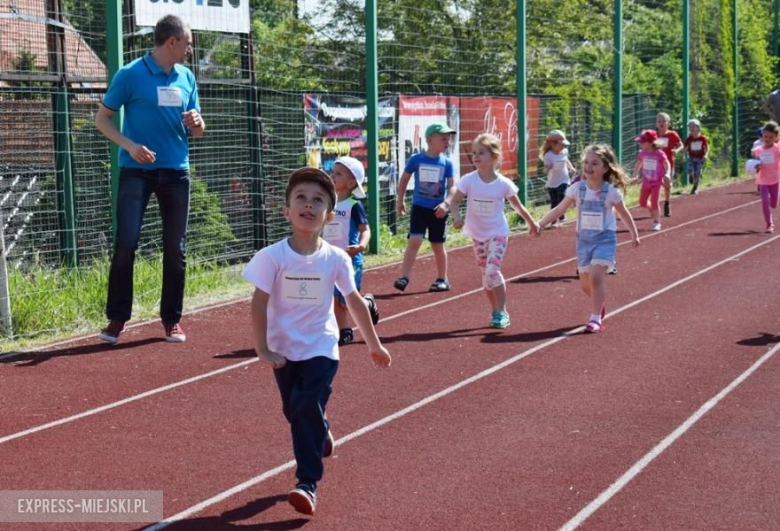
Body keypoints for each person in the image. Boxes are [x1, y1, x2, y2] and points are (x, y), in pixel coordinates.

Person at [242, 167, 391, 516]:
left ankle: (307, 482)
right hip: (283, 349)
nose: (308, 204)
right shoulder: (272, 257)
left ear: (330, 215)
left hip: (321, 346)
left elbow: (353, 301)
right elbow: (259, 303)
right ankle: (320, 431)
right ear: (287, 211)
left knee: (306, 404)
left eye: (318, 200)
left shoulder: (335, 258)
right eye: (301, 198)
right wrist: (262, 348)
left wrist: (373, 344)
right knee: (295, 411)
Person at [95, 15, 205, 344]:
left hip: (176, 173)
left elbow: (198, 131)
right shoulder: (130, 74)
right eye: (187, 43)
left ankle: (172, 320)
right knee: (126, 243)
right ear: (172, 42)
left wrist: (198, 122)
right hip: (136, 173)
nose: (189, 50)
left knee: (176, 248)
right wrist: (130, 146)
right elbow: (102, 119)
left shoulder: (187, 77)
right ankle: (117, 319)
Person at [538, 145, 640, 333]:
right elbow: (559, 209)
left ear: (605, 168)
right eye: (586, 162)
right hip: (584, 241)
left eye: (594, 163)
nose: (588, 166)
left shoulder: (611, 192)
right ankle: (599, 304)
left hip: (604, 240)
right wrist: (540, 224)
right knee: (586, 285)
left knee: (596, 277)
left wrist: (634, 233)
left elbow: (624, 213)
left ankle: (595, 319)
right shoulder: (577, 189)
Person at [447, 133, 540, 329]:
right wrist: (456, 217)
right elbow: (454, 202)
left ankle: (502, 311)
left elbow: (518, 206)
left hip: (498, 233)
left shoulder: (503, 184)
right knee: (486, 277)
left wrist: (531, 223)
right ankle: (495, 310)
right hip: (477, 235)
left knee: (492, 270)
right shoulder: (468, 180)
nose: (476, 156)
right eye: (474, 153)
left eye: (481, 152)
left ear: (494, 157)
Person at [322, 156, 380, 346]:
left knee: (347, 300)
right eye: (333, 172)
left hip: (349, 259)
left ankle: (368, 303)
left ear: (351, 182)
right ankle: (344, 330)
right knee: (334, 298)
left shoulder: (354, 205)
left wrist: (361, 246)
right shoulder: (327, 204)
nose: (332, 176)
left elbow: (366, 230)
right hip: (330, 259)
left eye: (338, 174)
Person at [394, 122, 457, 293]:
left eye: (449, 139)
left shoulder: (447, 163)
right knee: (414, 240)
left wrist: (446, 204)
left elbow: (452, 187)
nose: (447, 142)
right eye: (443, 139)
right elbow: (404, 180)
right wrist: (400, 200)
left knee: (437, 245)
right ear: (430, 140)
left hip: (438, 211)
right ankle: (404, 277)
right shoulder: (416, 159)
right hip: (419, 208)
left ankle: (442, 279)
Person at [632, 129, 670, 231]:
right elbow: (639, 163)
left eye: (642, 142)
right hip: (646, 182)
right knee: (642, 202)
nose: (640, 144)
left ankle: (657, 222)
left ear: (650, 142)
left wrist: (667, 173)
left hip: (657, 182)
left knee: (655, 202)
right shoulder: (642, 153)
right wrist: (635, 175)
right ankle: (651, 210)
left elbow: (667, 164)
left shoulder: (659, 154)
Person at [540, 130, 576, 227]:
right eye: (561, 144)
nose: (563, 147)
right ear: (553, 144)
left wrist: (571, 167)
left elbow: (566, 160)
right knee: (554, 202)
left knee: (562, 195)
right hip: (552, 183)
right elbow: (545, 171)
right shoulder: (548, 155)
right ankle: (554, 220)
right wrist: (550, 167)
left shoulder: (564, 152)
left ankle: (562, 214)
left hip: (564, 179)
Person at [750, 121, 780, 233]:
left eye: (771, 137)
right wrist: (756, 166)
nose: (767, 139)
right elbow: (756, 164)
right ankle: (769, 224)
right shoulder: (759, 150)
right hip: (763, 180)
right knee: (765, 201)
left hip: (775, 179)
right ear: (762, 136)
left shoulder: (777, 149)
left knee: (774, 204)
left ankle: (773, 203)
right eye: (765, 136)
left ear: (776, 137)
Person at [655, 113, 683, 217]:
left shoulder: (672, 134)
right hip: (657, 165)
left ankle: (667, 203)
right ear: (656, 124)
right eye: (659, 121)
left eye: (664, 121)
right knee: (656, 186)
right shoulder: (654, 135)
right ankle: (655, 205)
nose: (661, 123)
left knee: (667, 185)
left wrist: (677, 150)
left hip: (668, 165)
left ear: (668, 124)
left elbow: (681, 145)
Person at [683, 119, 709, 195]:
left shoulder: (702, 138)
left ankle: (695, 187)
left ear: (698, 127)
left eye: (693, 126)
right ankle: (691, 176)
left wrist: (706, 155)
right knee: (690, 169)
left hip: (700, 158)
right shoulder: (689, 139)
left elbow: (707, 147)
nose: (691, 128)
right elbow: (685, 148)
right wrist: (683, 156)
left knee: (698, 173)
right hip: (691, 157)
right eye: (690, 127)